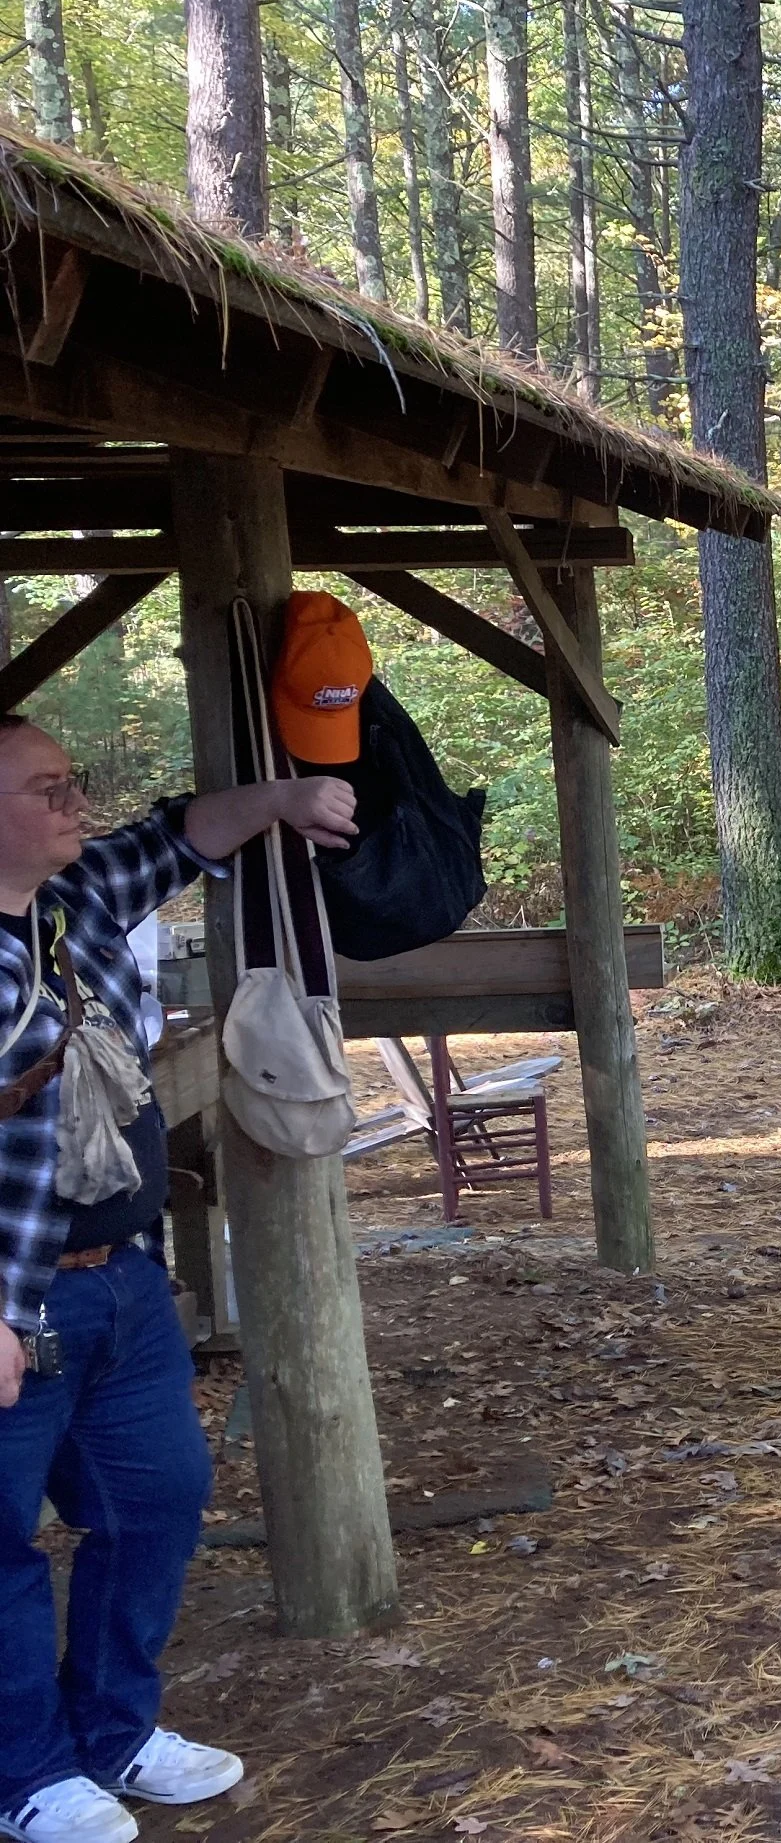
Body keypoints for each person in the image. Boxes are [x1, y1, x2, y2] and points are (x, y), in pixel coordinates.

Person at [0, 716, 358, 1843]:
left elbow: (185, 836)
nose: (75, 801)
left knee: (154, 1503)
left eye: (74, 777)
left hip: (124, 1284)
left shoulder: (76, 899)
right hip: (19, 1299)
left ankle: (112, 1734)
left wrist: (288, 800)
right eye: (49, 786)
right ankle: (26, 1773)